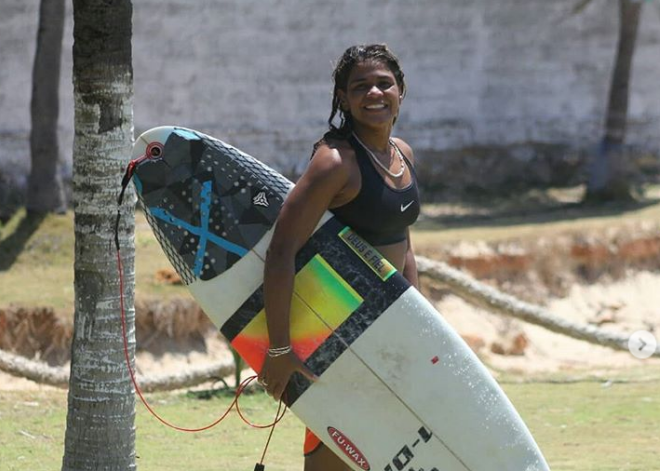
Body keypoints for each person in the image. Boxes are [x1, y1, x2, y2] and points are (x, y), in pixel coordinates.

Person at [259, 44, 420, 471]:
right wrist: (279, 349)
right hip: (341, 334)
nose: (374, 93)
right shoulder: (334, 162)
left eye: (384, 83)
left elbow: (402, 240)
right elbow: (280, 252)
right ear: (343, 99)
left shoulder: (401, 153)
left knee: (384, 449)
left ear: (401, 90)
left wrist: (419, 321)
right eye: (360, 86)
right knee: (338, 450)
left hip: (389, 333)